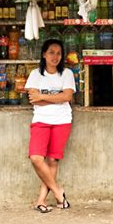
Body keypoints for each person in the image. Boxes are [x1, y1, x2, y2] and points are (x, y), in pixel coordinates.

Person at [24, 38, 76, 213]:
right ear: (44, 54)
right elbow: (33, 99)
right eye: (51, 52)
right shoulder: (35, 75)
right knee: (36, 158)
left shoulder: (67, 74)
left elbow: (67, 97)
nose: (55, 56)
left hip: (62, 121)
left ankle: (41, 200)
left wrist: (43, 98)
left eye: (59, 53)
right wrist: (56, 99)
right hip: (41, 121)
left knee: (53, 160)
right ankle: (58, 192)